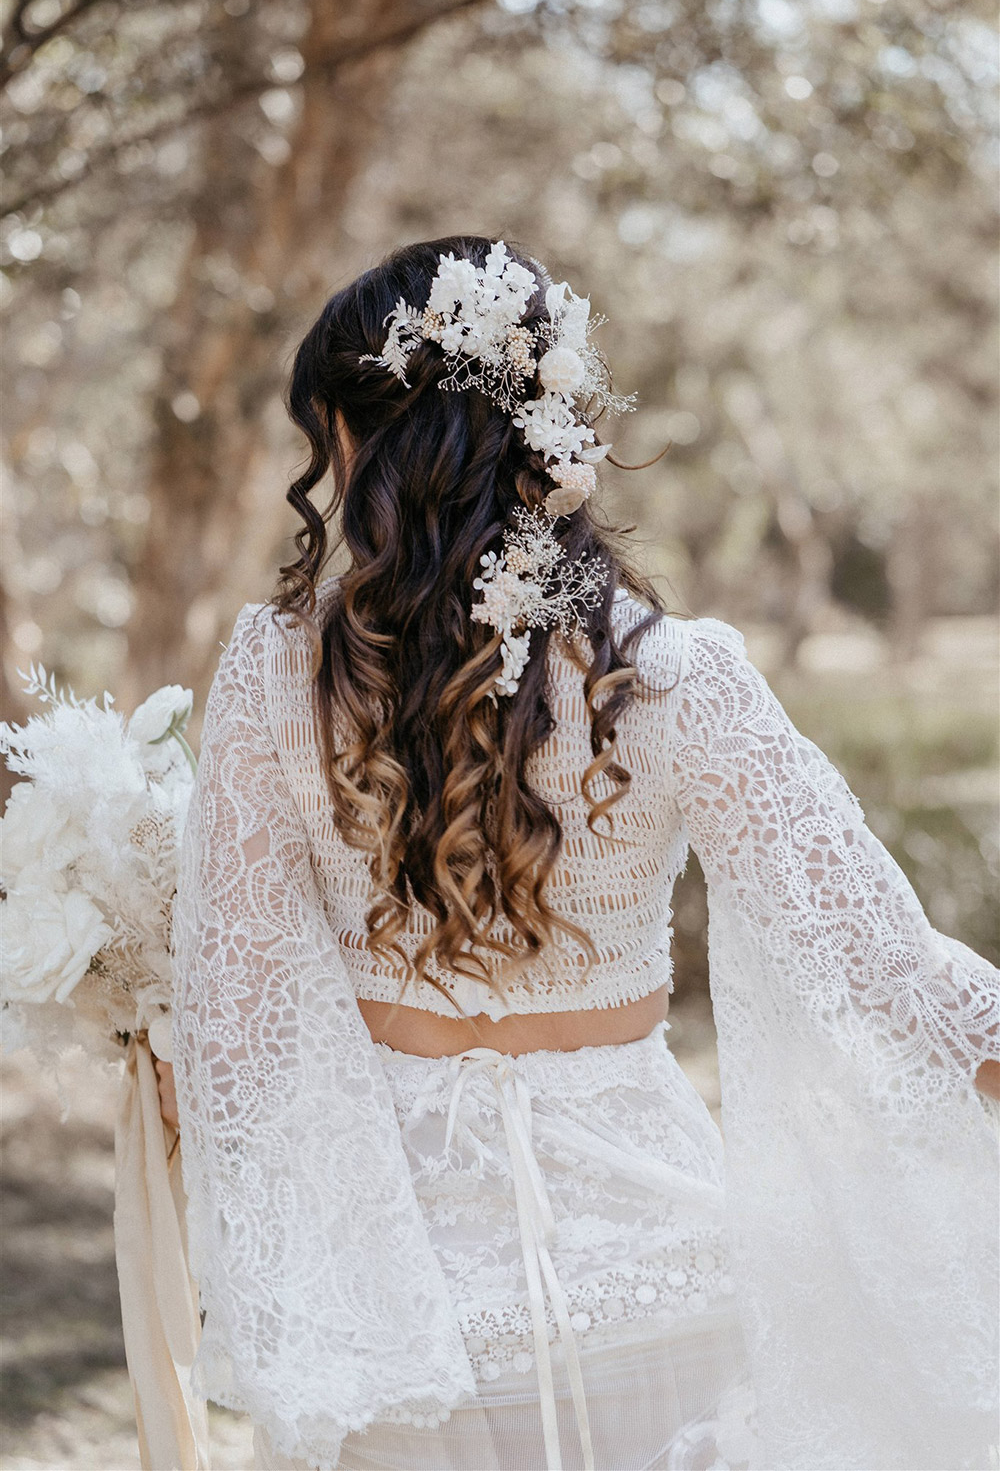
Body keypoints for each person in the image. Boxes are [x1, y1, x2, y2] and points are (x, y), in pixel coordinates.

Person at [161, 236, 999, 1471]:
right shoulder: (675, 676)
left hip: (395, 1308)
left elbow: (234, 1016)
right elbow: (882, 969)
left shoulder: (274, 674)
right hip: (657, 1276)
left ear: (370, 447)